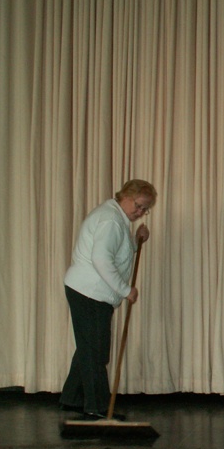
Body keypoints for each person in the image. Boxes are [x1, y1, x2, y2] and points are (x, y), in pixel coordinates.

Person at [59, 179, 157, 419]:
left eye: (145, 209)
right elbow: (101, 259)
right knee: (96, 351)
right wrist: (125, 290)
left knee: (89, 346)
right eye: (138, 206)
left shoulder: (116, 217)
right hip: (89, 292)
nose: (140, 212)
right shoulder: (111, 220)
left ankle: (72, 397)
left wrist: (135, 242)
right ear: (125, 196)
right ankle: (98, 407)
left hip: (90, 292)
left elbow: (116, 252)